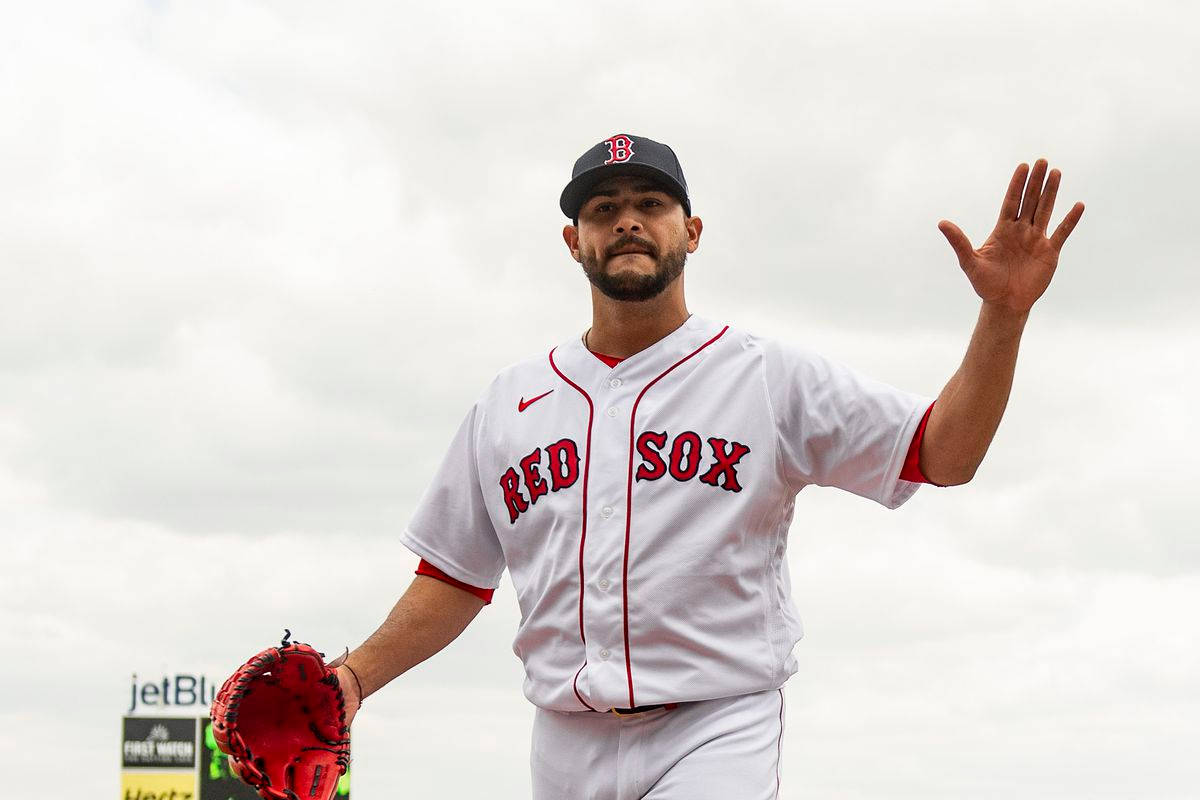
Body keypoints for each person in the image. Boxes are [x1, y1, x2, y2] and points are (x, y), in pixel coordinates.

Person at [331, 134, 1084, 799]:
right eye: (602, 208)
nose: (626, 219)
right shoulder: (509, 402)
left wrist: (1004, 315)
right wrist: (354, 677)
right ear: (573, 240)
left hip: (714, 727)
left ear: (690, 232)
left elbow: (945, 453)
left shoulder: (765, 378)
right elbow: (454, 577)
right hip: (563, 742)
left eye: (651, 202)